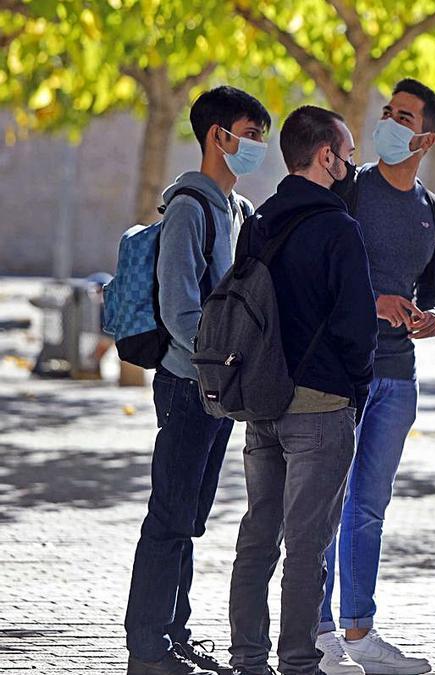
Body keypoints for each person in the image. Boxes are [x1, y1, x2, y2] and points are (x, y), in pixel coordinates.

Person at [124, 85, 270, 675]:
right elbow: (180, 307)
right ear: (219, 137)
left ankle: (174, 635)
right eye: (251, 135)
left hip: (218, 387)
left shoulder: (237, 210)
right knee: (169, 515)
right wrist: (221, 360)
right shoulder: (189, 206)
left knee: (190, 516)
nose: (257, 147)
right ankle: (146, 647)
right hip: (189, 384)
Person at [227, 105, 377, 675]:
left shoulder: (260, 220)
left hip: (260, 404)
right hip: (320, 407)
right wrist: (354, 391)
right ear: (325, 157)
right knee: (308, 547)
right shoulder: (339, 228)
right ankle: (297, 661)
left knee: (258, 538)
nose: (351, 166)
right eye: (348, 155)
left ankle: (247, 658)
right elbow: (356, 327)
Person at [316, 78, 435, 675]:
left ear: (426, 138)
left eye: (405, 117)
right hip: (339, 372)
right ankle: (316, 633)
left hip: (397, 375)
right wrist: (371, 300)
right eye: (388, 112)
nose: (390, 122)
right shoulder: (349, 190)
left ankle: (360, 631)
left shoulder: (433, 211)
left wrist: (433, 316)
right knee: (325, 500)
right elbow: (318, 268)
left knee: (368, 506)